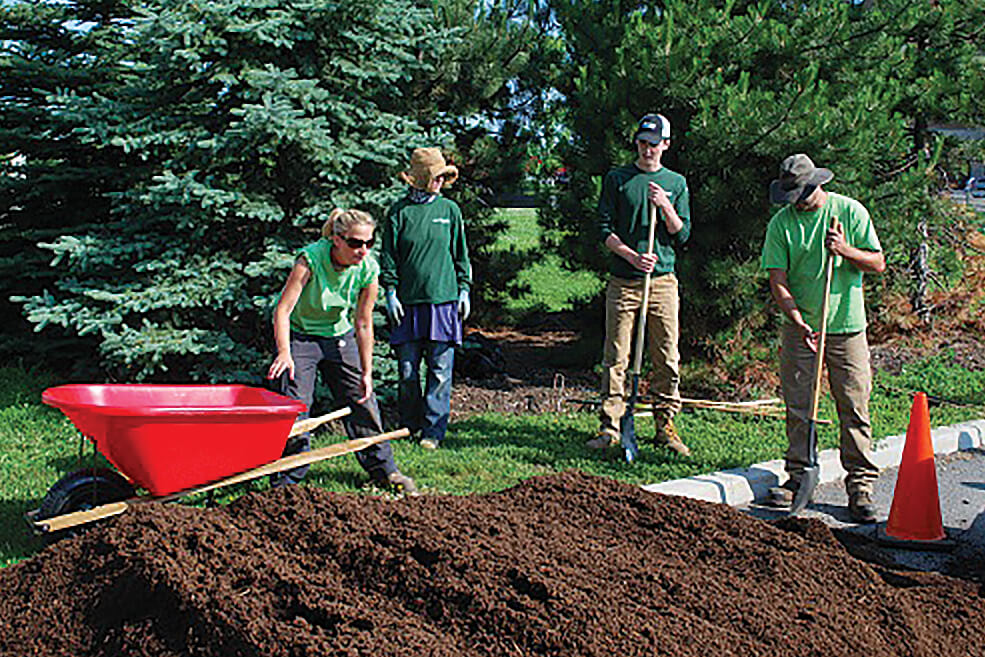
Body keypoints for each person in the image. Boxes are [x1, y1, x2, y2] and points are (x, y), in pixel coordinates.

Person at [761, 153, 885, 523]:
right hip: (802, 329)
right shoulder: (781, 224)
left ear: (818, 184)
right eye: (791, 195)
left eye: (801, 193)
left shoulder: (850, 213)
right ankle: (799, 477)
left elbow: (878, 263)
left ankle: (860, 485)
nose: (797, 201)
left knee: (853, 405)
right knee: (800, 406)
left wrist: (844, 250)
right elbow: (777, 280)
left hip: (846, 327)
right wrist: (797, 320)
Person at [266, 208, 417, 494]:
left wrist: (367, 373)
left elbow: (363, 323)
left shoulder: (368, 269)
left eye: (369, 243)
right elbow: (283, 310)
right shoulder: (310, 259)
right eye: (355, 243)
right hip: (301, 337)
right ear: (336, 239)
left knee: (362, 399)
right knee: (296, 407)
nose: (363, 250)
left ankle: (386, 472)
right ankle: (286, 484)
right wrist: (285, 353)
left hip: (339, 336)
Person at [586, 113, 692, 456]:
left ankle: (665, 425)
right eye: (642, 143)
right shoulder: (618, 179)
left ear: (666, 145)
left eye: (654, 144)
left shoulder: (675, 183)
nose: (647, 150)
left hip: (662, 282)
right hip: (624, 281)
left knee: (667, 356)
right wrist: (631, 256)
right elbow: (603, 229)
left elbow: (683, 233)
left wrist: (665, 207)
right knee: (617, 356)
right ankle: (611, 426)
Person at [380, 148, 471, 450]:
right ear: (418, 179)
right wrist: (391, 292)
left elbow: (461, 254)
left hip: (443, 303)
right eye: (434, 177)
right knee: (407, 371)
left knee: (440, 371)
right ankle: (410, 424)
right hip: (406, 305)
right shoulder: (398, 212)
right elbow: (389, 257)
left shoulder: (449, 211)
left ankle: (433, 431)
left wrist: (464, 289)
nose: (439, 181)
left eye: (443, 176)